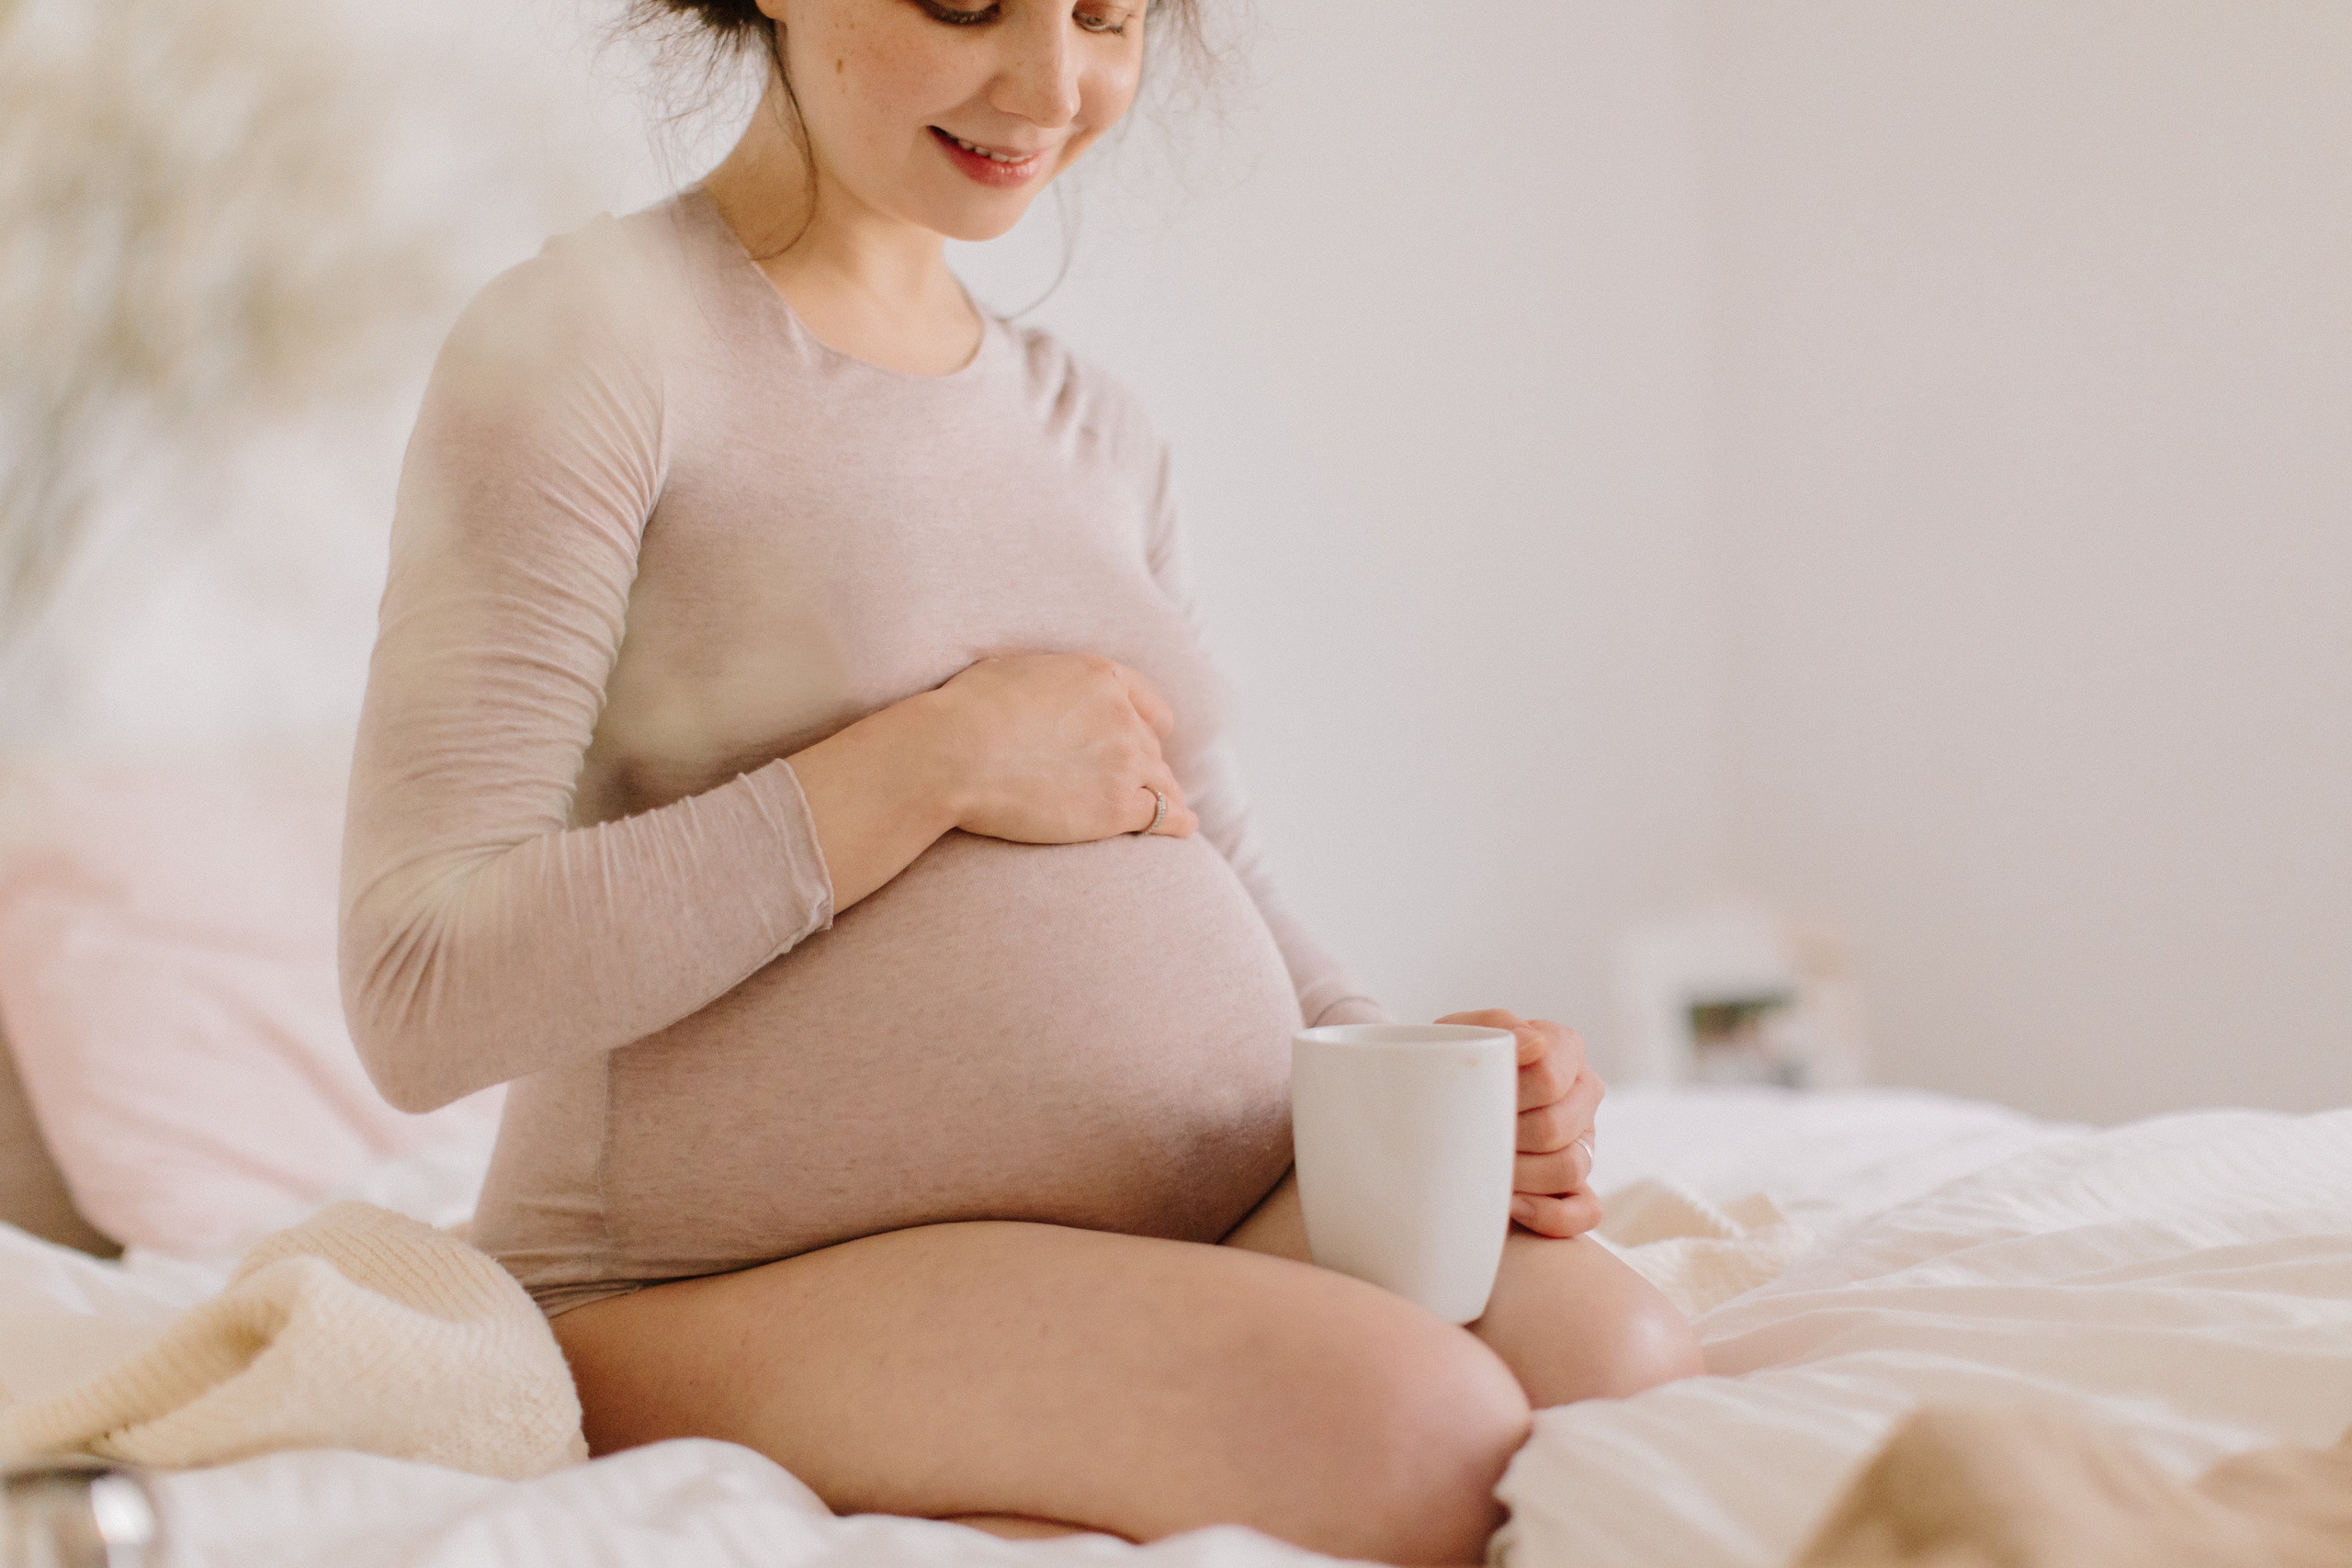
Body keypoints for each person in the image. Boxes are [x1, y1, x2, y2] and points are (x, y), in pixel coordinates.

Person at [338, 1, 1702, 1561]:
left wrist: (1429, 1084)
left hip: (1212, 1207)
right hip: (701, 1287)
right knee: (1418, 1431)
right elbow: (417, 981)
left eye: (1107, 15)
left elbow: (1222, 875)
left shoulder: (1094, 426)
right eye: (969, 2)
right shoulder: (597, 343)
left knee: (1625, 1371)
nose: (1054, 85)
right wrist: (937, 761)